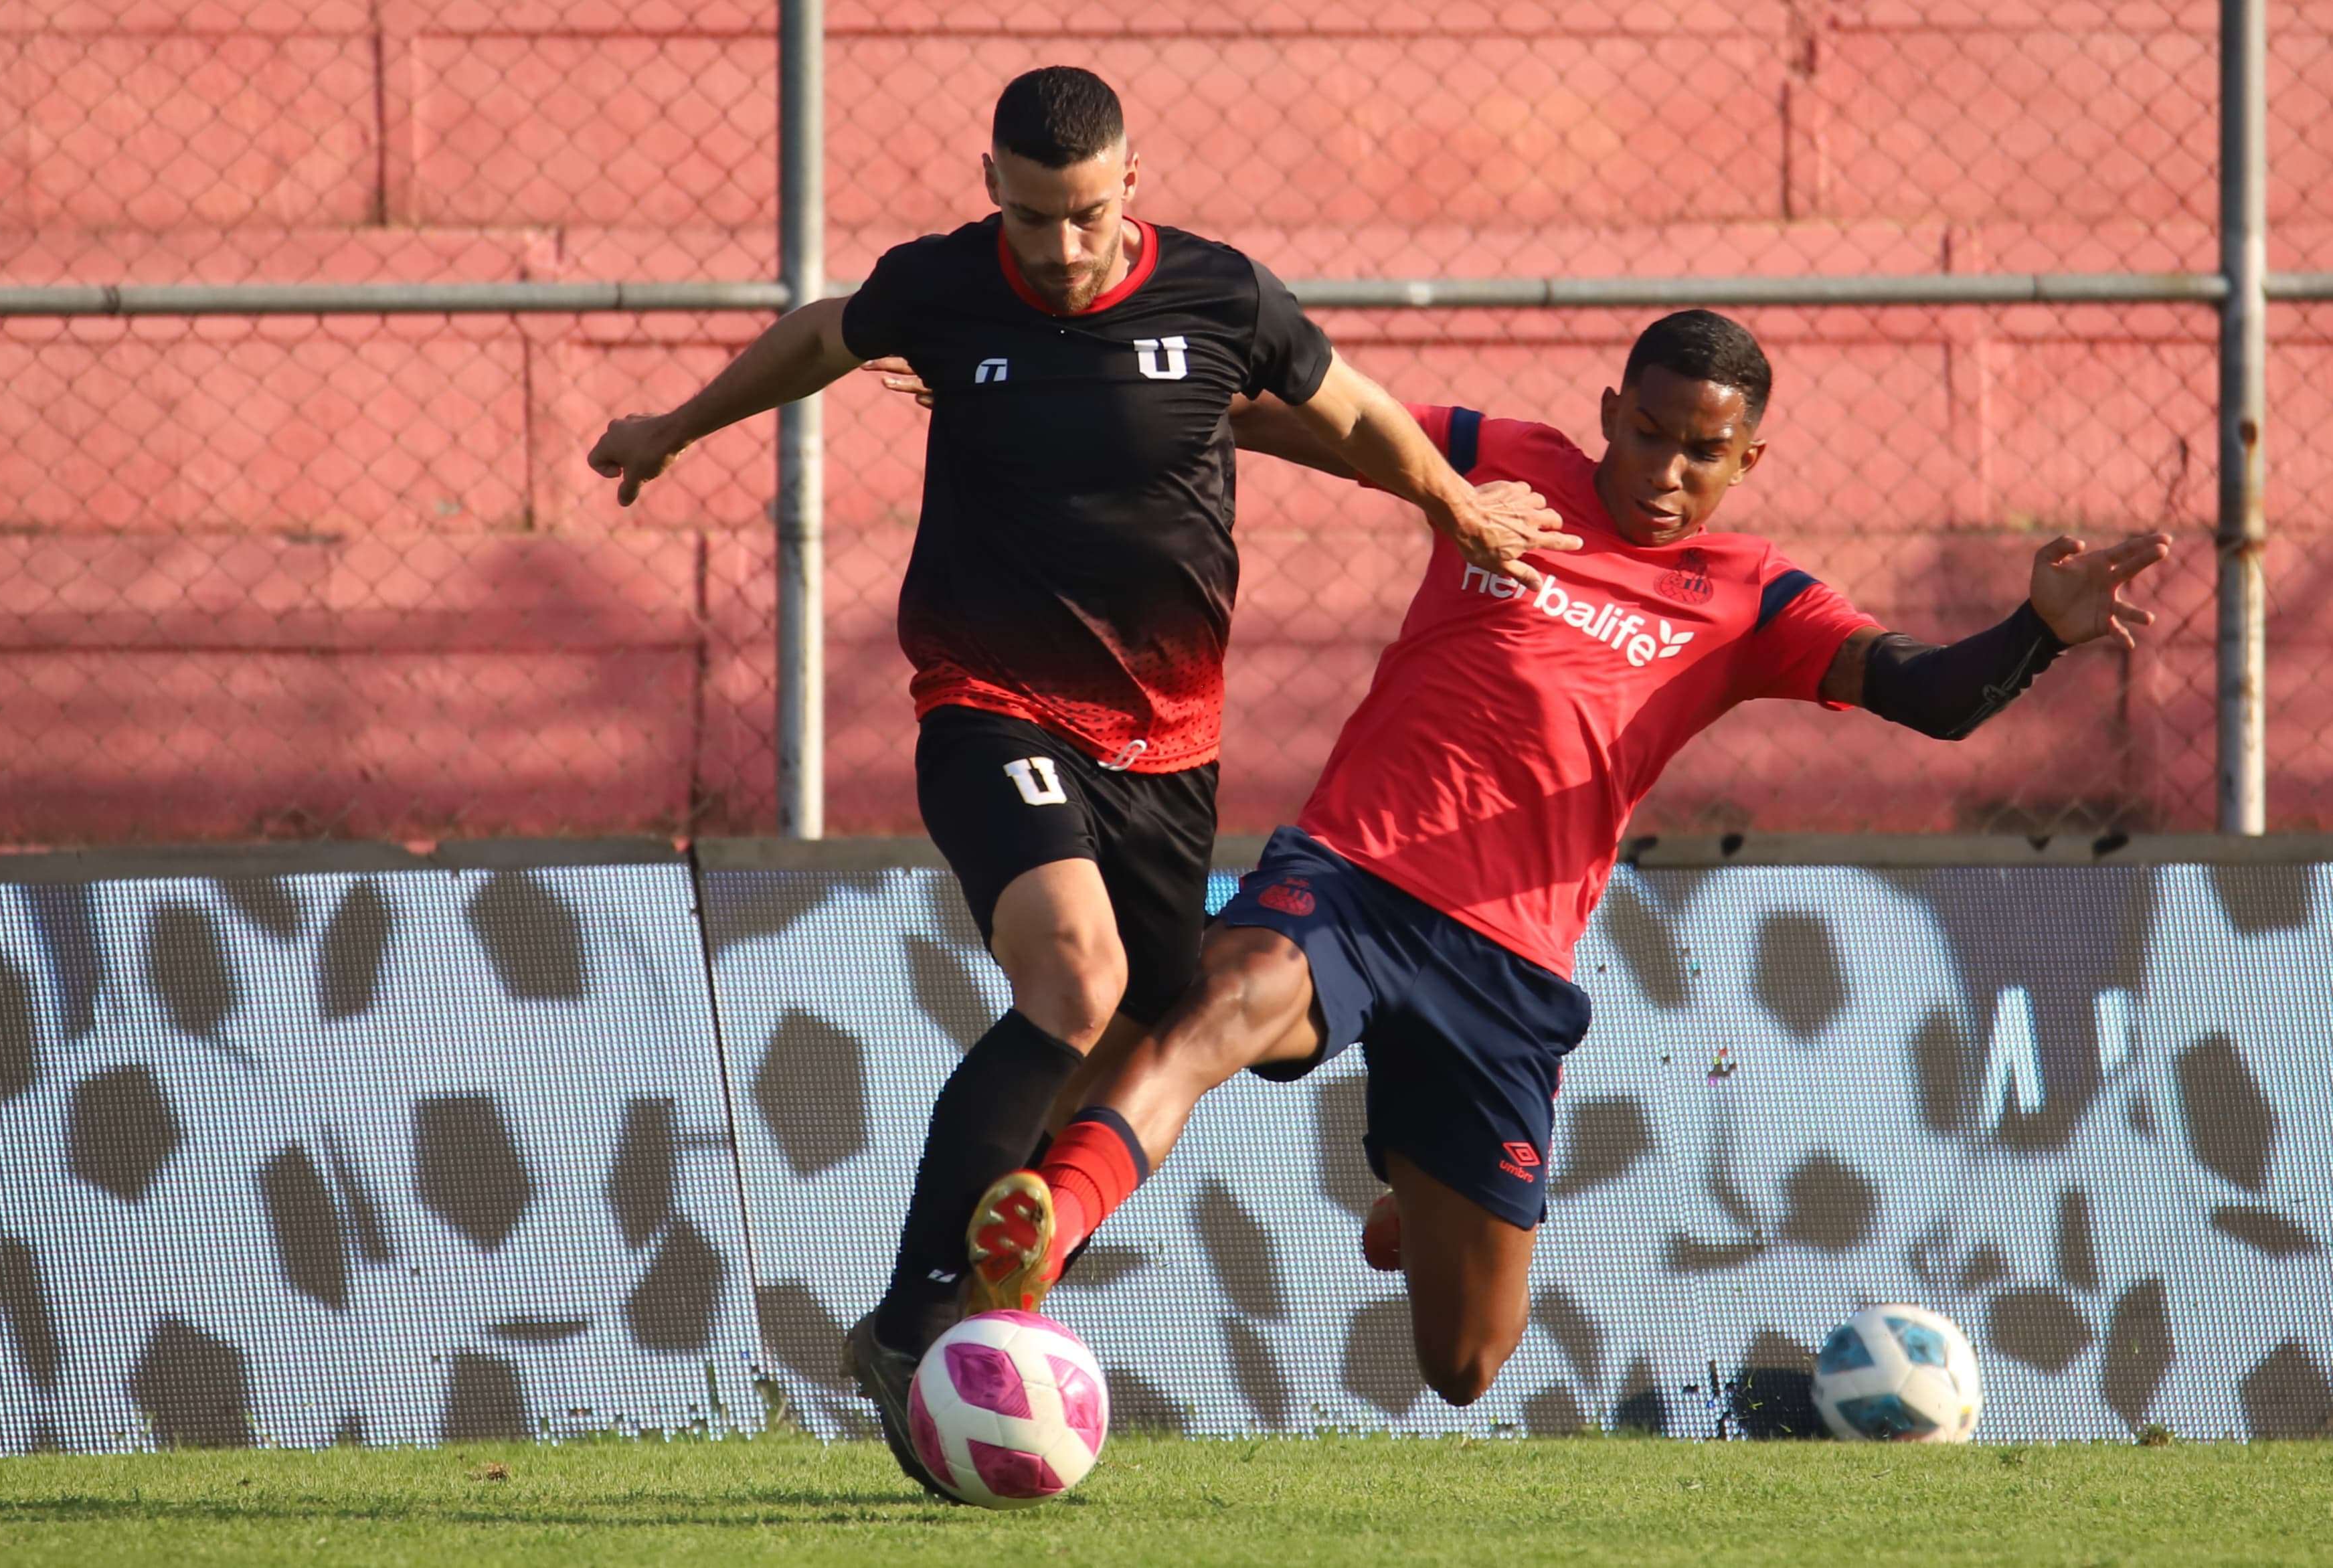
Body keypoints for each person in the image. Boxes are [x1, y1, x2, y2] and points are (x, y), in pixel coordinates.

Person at [586, 65, 1562, 1492]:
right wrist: (675, 427)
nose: (1059, 248)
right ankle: (918, 1319)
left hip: (1169, 748)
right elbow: (816, 339)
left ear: (1131, 185)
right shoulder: (942, 288)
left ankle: (1001, 1305)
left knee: (1147, 1031)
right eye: (1033, 219)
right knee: (1075, 978)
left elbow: (1351, 407)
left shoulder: (1224, 297)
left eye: (1087, 216)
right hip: (993, 708)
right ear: (993, 190)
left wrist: (1455, 502)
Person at [956, 308, 2172, 1409]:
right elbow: (1296, 416)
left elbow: (1932, 695)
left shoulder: (1754, 597)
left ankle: (1420, 1193)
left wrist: (2034, 636)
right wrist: (1035, 384)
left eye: (1704, 454)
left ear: (1748, 460)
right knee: (1221, 1002)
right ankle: (1046, 1232)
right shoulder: (1505, 461)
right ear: (1609, 415)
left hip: (1507, 964)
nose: (1666, 472)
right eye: (1647, 436)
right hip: (1353, 877)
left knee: (1467, 1364)